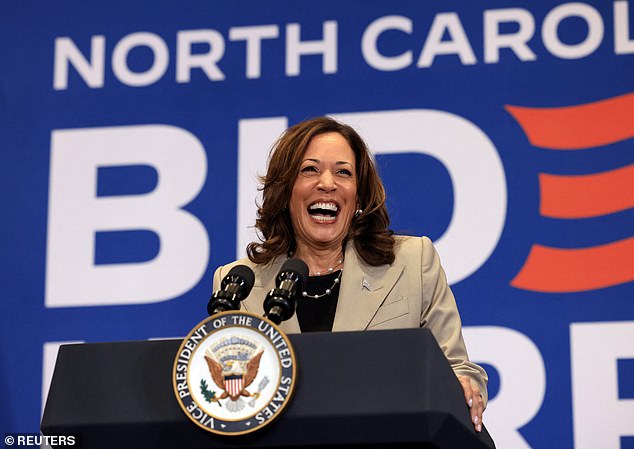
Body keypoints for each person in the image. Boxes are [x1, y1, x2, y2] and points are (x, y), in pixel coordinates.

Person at [213, 116, 487, 432]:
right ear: (286, 191)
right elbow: (227, 397)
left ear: (358, 196)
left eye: (343, 172)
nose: (327, 183)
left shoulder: (411, 262)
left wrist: (465, 387)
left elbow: (458, 369)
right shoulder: (238, 283)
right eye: (310, 170)